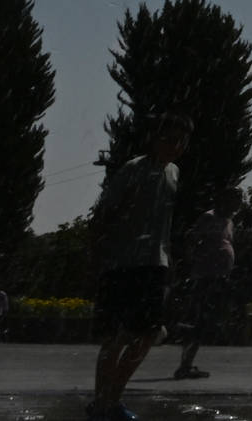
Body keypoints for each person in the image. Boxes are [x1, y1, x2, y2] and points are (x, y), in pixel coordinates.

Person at [89, 114, 191, 421]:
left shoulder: (173, 173)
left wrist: (169, 260)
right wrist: (97, 256)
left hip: (153, 263)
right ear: (154, 138)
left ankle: (112, 398)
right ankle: (101, 402)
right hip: (122, 262)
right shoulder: (134, 169)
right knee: (115, 337)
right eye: (169, 139)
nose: (175, 146)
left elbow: (166, 223)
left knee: (146, 336)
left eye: (181, 141)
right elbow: (105, 213)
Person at [168, 192, 237, 377]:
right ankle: (185, 365)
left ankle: (188, 363)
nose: (235, 207)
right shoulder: (209, 217)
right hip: (205, 276)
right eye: (232, 201)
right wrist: (195, 262)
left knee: (205, 322)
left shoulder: (229, 221)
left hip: (219, 276)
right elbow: (192, 238)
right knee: (197, 321)